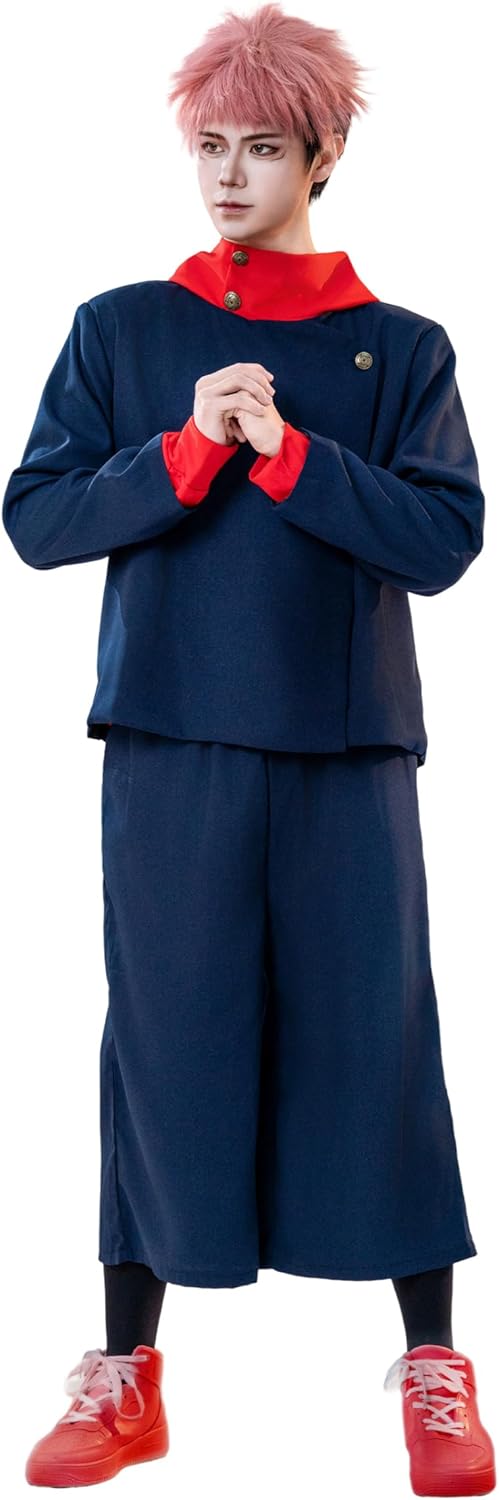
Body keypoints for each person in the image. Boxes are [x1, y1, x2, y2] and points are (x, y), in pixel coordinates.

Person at [3, 2, 495, 1493]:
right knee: (166, 1036)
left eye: (261, 148)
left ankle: (435, 1367)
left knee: (377, 1037)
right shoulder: (122, 329)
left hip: (348, 747)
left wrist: (285, 451)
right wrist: (185, 447)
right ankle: (128, 1375)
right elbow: (41, 519)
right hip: (170, 743)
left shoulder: (404, 349)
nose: (227, 175)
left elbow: (444, 541)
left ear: (320, 155)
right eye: (209, 145)